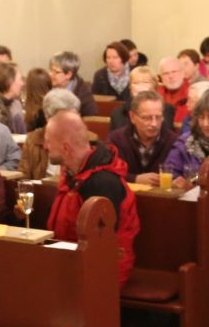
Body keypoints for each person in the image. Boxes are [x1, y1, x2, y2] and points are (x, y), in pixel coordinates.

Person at [44, 111, 139, 284]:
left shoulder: (103, 183)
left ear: (65, 148)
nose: (45, 146)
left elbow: (100, 246)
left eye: (48, 141)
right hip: (71, 261)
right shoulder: (74, 173)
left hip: (102, 273)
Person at [164, 88, 209, 185]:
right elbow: (169, 171)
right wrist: (177, 181)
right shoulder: (185, 142)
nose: (205, 124)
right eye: (201, 117)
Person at [107, 92, 179, 184]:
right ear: (132, 117)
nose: (154, 124)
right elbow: (109, 172)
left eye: (158, 117)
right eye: (147, 118)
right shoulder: (117, 139)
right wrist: (134, 179)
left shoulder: (174, 141)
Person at [49, 51, 99, 116]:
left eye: (56, 72)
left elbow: (91, 118)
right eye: (51, 70)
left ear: (68, 74)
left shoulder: (83, 94)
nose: (50, 74)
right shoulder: (47, 87)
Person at [157, 56, 192, 124]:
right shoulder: (156, 96)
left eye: (174, 72)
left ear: (183, 73)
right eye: (166, 73)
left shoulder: (192, 94)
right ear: (161, 77)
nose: (170, 76)